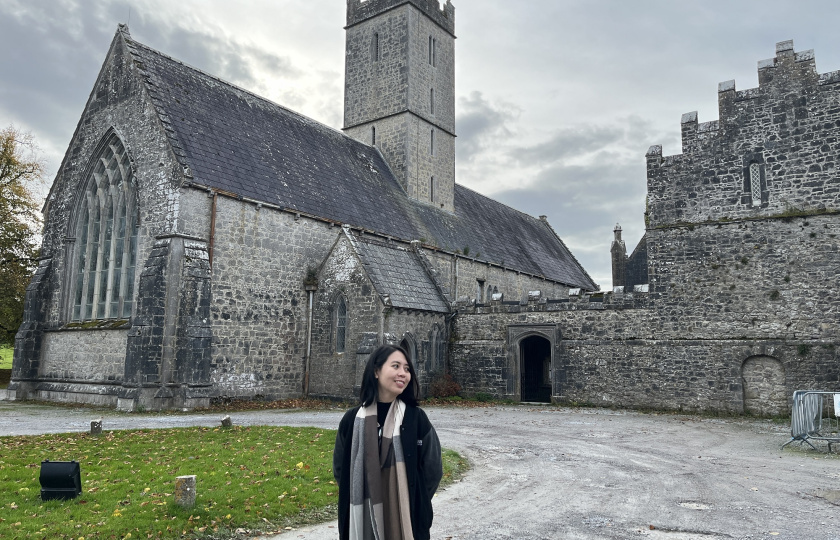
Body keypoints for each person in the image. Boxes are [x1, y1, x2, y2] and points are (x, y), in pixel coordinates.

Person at [333, 344, 443, 540]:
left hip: (408, 520)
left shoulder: (417, 419)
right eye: (396, 366)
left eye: (407, 369)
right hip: (361, 519)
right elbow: (341, 470)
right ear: (376, 371)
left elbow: (432, 471)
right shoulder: (351, 420)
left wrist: (411, 499)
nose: (403, 373)